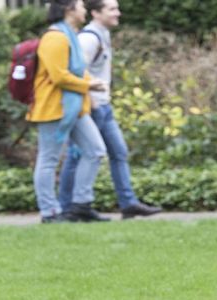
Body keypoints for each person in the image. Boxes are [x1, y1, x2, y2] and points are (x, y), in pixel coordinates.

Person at [57, 0, 162, 220]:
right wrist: (90, 101)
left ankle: (128, 203)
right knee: (77, 156)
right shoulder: (88, 39)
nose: (118, 13)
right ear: (96, 13)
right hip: (92, 107)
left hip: (103, 106)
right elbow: (75, 72)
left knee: (119, 152)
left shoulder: (102, 34)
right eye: (112, 9)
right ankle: (67, 208)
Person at [28, 0, 108, 223]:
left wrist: (90, 81)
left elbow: (77, 70)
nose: (85, 10)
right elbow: (59, 76)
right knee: (49, 159)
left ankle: (81, 206)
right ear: (68, 10)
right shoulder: (54, 38)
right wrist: (89, 86)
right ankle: (49, 212)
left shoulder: (70, 35)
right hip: (54, 108)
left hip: (74, 108)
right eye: (81, 6)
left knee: (95, 150)